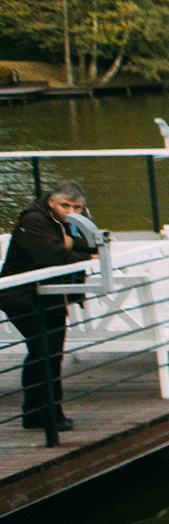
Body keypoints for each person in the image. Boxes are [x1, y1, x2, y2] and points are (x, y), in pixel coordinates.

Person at [2, 181, 99, 433]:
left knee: (46, 352)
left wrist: (76, 246)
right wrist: (87, 256)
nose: (70, 211)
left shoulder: (79, 218)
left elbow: (91, 242)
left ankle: (34, 413)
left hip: (50, 295)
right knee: (45, 351)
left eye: (76, 207)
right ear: (51, 202)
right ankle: (50, 415)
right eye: (64, 205)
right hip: (21, 295)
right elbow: (53, 256)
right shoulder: (33, 220)